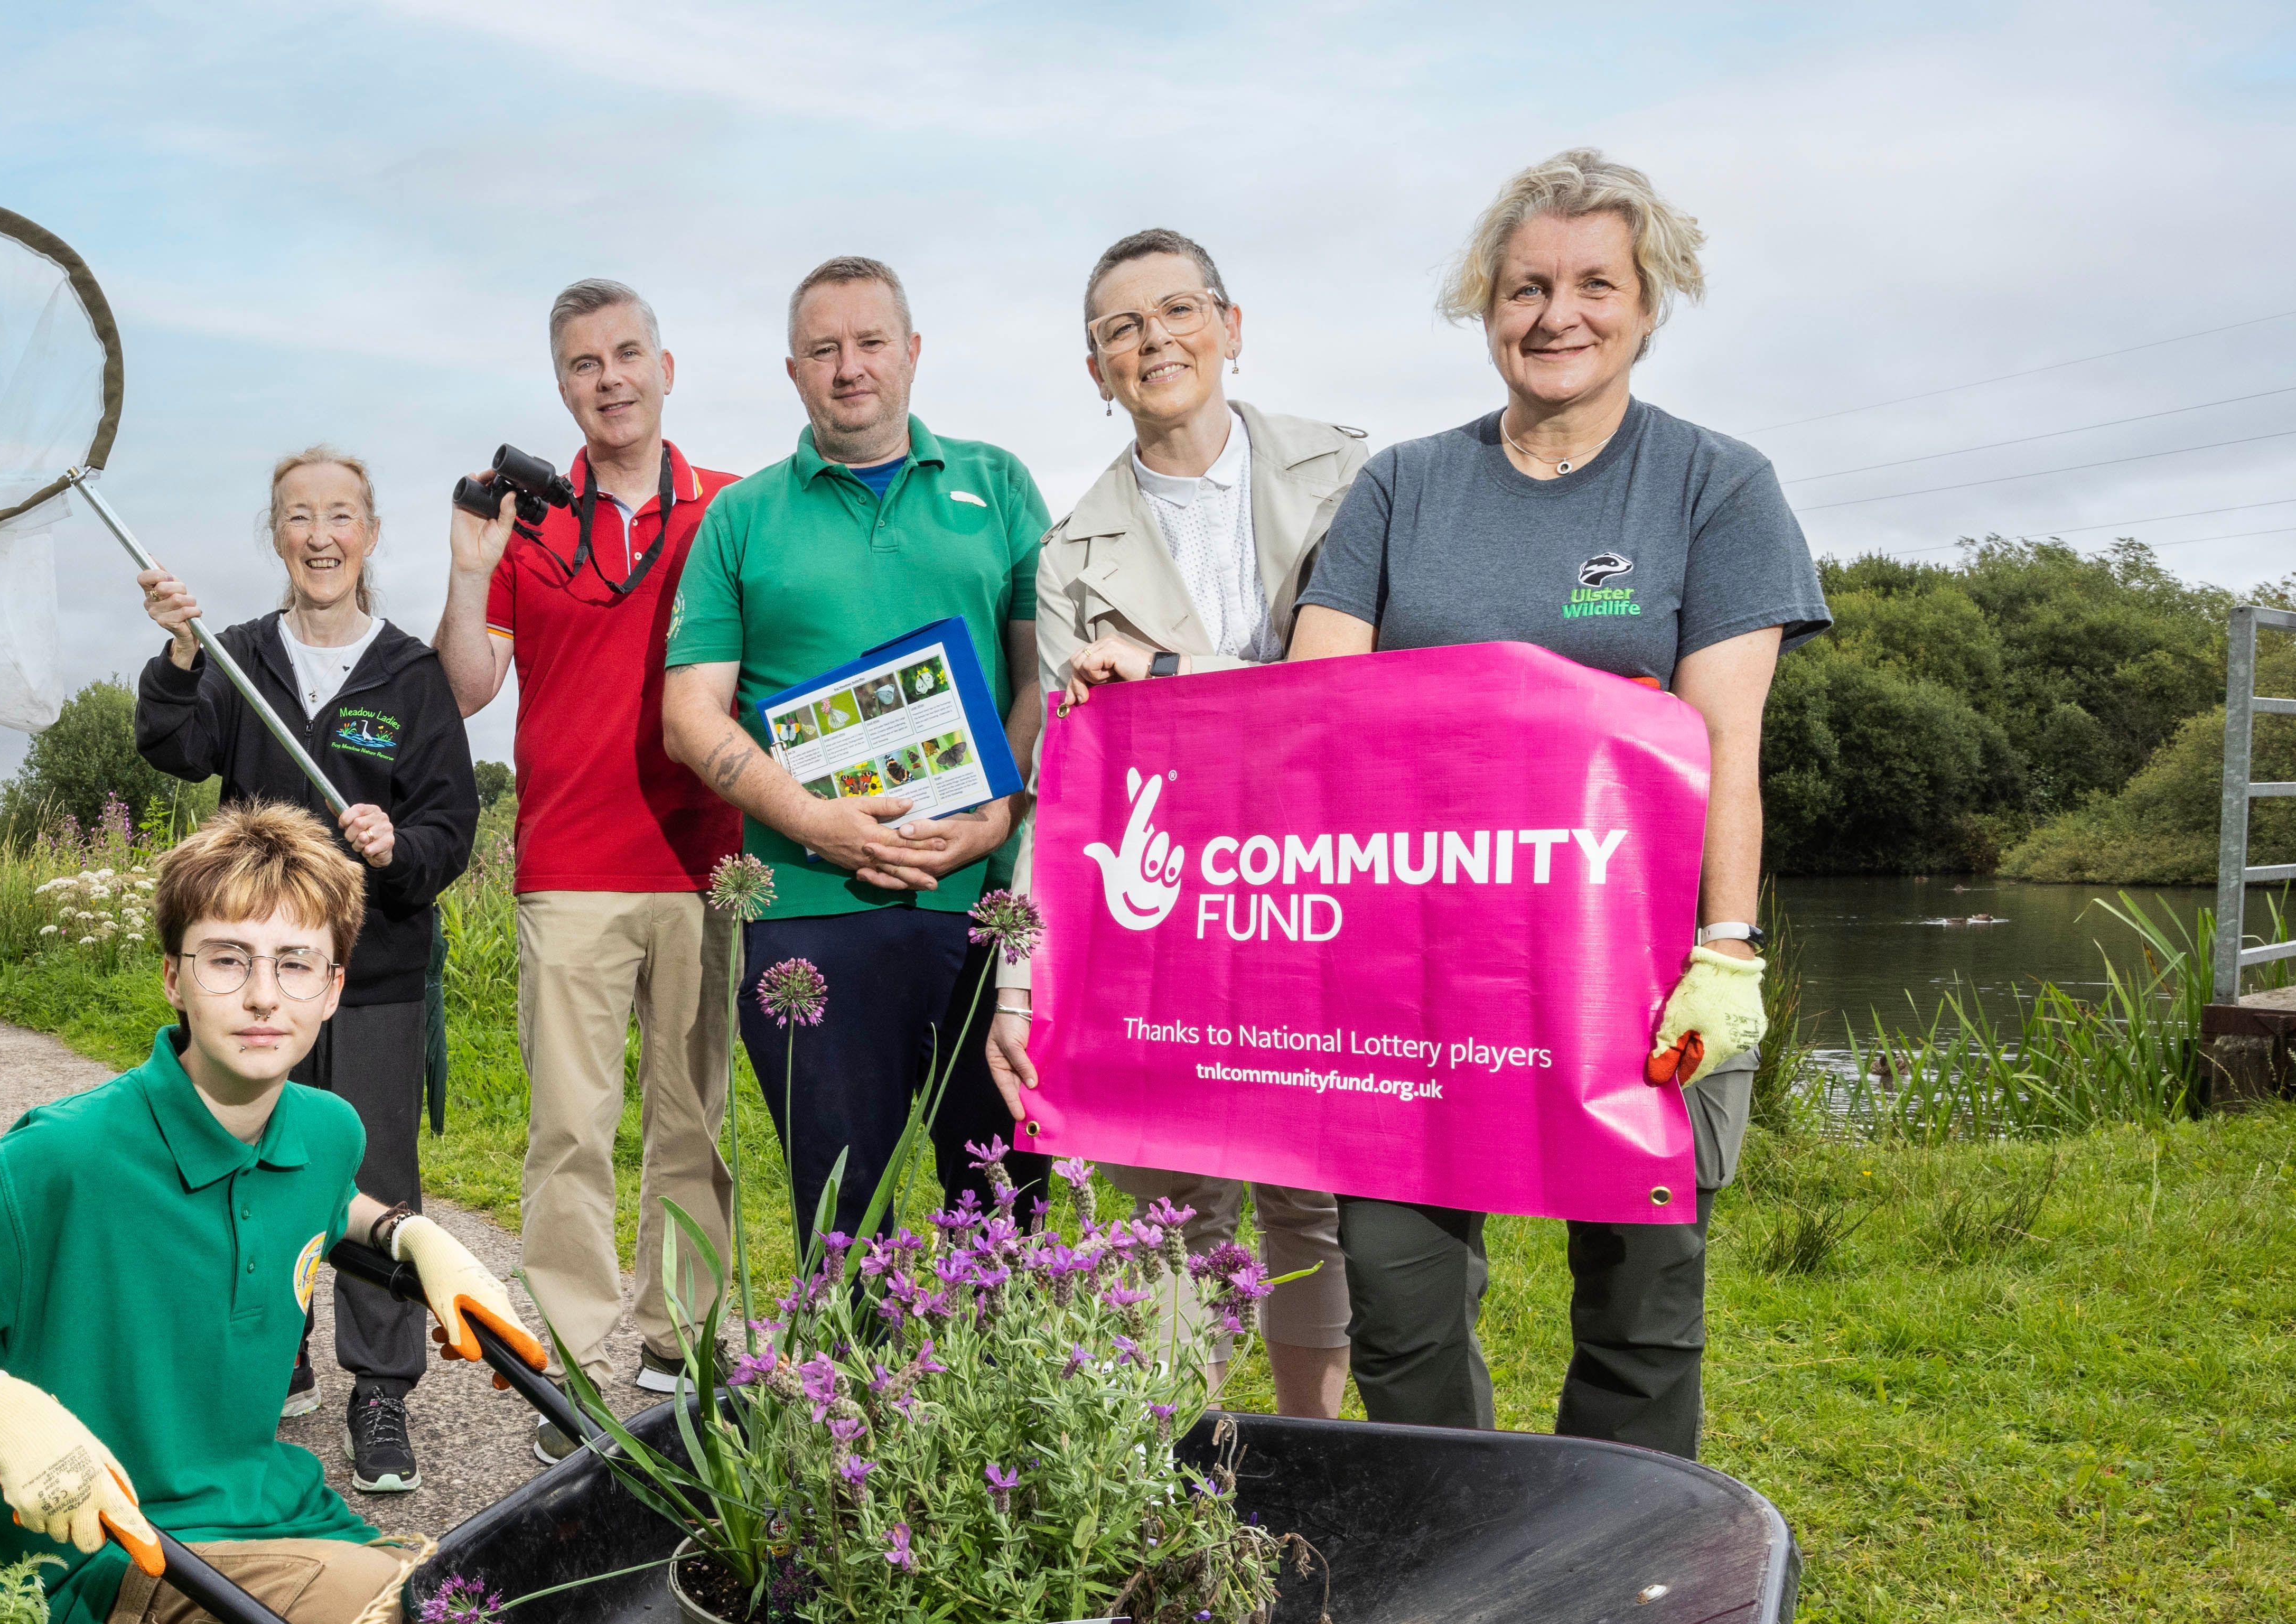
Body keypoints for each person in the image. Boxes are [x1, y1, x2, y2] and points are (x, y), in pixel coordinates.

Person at [0, 805, 540, 1624]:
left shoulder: (328, 1128)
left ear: (334, 989)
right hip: (117, 1563)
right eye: (227, 959)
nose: (263, 995)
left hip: (276, 1518)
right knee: (397, 1621)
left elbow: (316, 1188)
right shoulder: (65, 1157)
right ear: (173, 977)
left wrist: (407, 1232)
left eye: (295, 964)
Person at [1286, 148, 1826, 1457]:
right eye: (1524, 288)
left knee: (1640, 1313)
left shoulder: (1716, 485)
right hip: (1410, 968)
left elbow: (1720, 744)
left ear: (1647, 306)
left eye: (1595, 284)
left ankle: (1614, 1585)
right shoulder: (1402, 486)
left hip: (1636, 970)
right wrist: (1150, 698)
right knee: (1400, 1308)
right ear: (1486, 308)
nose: (1556, 316)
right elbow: (1312, 710)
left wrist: (1728, 950)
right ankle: (1441, 1550)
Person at [983, 228, 1368, 1418]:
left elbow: (1347, 698)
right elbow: (1067, 778)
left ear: (1231, 326)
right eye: (1120, 330)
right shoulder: (1068, 553)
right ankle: (1169, 1483)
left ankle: (1316, 1454)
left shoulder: (1354, 475)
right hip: (1164, 906)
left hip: (1323, 887)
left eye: (1178, 312)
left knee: (1311, 1192)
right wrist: (1016, 978)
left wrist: (1163, 668)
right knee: (1172, 1200)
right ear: (1095, 372)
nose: (1154, 342)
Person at [661, 256, 1050, 1250]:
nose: (849, 367)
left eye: (871, 342)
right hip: (809, 912)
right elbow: (690, 714)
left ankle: (1003, 1409)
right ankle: (853, 1406)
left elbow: (1038, 680)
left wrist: (998, 812)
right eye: (823, 349)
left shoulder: (996, 484)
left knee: (1006, 1206)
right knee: (842, 1218)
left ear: (912, 353)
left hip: (986, 903)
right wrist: (816, 823)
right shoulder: (741, 518)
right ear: (791, 370)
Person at [134, 447, 480, 1498]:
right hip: (257, 974)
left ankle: (379, 1388)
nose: (320, 535)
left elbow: (449, 826)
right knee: (246, 1162)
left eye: (340, 515)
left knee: (370, 1177)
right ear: (276, 535)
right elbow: (172, 748)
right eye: (298, 516)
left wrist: (396, 846)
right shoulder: (237, 656)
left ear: (369, 534)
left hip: (370, 975)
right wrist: (181, 654)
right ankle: (266, 1357)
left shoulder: (410, 673)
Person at [434, 281, 741, 1457]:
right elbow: (466, 690)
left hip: (706, 857)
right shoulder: (530, 523)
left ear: (667, 365)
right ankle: (570, 1363)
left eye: (626, 355)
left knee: (693, 1125)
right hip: (567, 861)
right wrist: (471, 566)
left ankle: (681, 1351)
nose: (607, 378)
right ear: (559, 386)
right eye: (581, 364)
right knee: (568, 1129)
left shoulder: (732, 506)